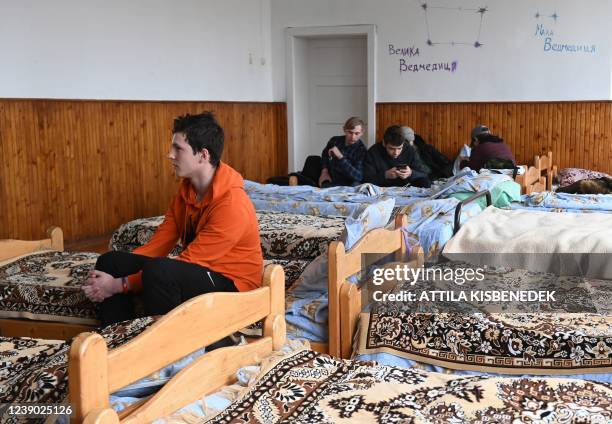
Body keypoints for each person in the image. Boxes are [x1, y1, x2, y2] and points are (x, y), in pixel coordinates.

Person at [82, 112, 263, 327]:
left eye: (178, 149)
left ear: (203, 155)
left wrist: (120, 285)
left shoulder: (232, 203)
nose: (170, 155)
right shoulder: (185, 193)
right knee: (111, 261)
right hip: (201, 271)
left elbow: (191, 261)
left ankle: (168, 350)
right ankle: (118, 339)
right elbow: (157, 246)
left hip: (235, 286)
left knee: (159, 271)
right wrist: (117, 275)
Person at [363, 125, 431, 188]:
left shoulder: (409, 149)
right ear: (384, 143)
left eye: (399, 148)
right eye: (391, 148)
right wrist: (385, 175)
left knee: (425, 182)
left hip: (406, 185)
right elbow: (366, 179)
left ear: (403, 144)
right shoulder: (373, 152)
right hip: (383, 186)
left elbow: (425, 172)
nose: (396, 153)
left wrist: (411, 173)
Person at [318, 117, 367, 187]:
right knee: (312, 159)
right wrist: (324, 172)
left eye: (357, 133)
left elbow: (358, 176)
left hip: (348, 182)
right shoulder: (334, 140)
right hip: (331, 176)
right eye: (350, 132)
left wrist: (340, 157)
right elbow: (325, 155)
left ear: (362, 133)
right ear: (344, 130)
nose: (353, 137)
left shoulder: (362, 150)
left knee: (356, 184)